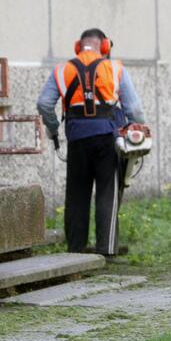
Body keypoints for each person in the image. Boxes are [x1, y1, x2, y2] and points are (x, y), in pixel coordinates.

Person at [37, 28, 145, 257]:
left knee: (77, 193)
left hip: (76, 139)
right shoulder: (115, 68)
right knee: (107, 191)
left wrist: (54, 128)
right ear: (105, 46)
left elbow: (45, 104)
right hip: (107, 139)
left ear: (78, 46)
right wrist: (137, 127)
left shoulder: (62, 70)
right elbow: (134, 108)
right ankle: (106, 250)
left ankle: (75, 250)